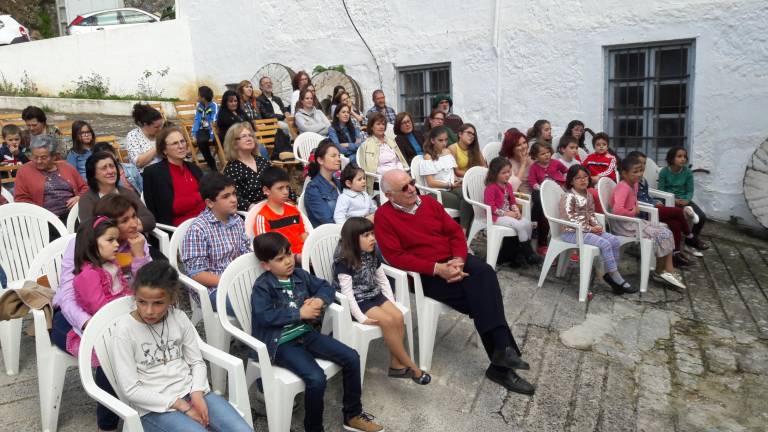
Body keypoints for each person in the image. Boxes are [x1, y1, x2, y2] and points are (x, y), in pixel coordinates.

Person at [374, 169, 535, 395]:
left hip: (453, 260)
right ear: (390, 195)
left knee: (486, 272)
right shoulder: (384, 216)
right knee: (482, 297)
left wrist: (458, 260)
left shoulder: (429, 203)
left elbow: (455, 233)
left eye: (412, 182)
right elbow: (395, 256)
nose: (412, 189)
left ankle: (502, 356)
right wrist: (437, 269)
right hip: (425, 274)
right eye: (404, 188)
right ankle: (502, 358)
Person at [250, 232, 385, 432]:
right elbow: (264, 316)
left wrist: (320, 300)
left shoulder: (299, 275)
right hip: (281, 343)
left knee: (352, 357)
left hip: (306, 334)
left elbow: (326, 287)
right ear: (266, 265)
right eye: (280, 259)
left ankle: (353, 414)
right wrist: (299, 313)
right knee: (316, 378)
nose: (288, 261)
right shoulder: (263, 286)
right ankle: (314, 428)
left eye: (288, 254)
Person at [110, 261, 254, 432]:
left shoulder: (178, 318)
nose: (148, 311)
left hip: (190, 391)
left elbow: (197, 363)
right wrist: (181, 406)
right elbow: (130, 390)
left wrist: (197, 393)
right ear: (135, 296)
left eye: (158, 303)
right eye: (142, 302)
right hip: (154, 407)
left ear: (171, 298)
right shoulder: (124, 331)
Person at [69, 214, 147, 431]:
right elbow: (101, 310)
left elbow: (130, 291)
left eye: (116, 239)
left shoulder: (111, 265)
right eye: (110, 240)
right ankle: (107, 423)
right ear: (92, 244)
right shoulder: (86, 276)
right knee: (108, 368)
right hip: (101, 333)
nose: (116, 244)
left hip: (120, 323)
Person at [334, 217, 430, 384]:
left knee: (398, 316)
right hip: (358, 300)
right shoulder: (344, 260)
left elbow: (382, 279)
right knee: (386, 320)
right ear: (353, 239)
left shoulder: (372, 252)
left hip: (374, 293)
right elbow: (347, 294)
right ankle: (412, 367)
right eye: (366, 235)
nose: (372, 238)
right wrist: (361, 318)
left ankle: (396, 366)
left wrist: (391, 304)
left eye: (372, 233)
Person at [611, 157, 687, 290]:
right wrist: (633, 211)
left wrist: (634, 208)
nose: (639, 174)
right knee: (661, 234)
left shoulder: (634, 184)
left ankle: (666, 269)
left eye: (641, 171)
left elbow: (633, 202)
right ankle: (661, 271)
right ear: (624, 173)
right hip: (625, 225)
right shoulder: (623, 187)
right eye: (635, 171)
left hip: (634, 222)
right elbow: (617, 210)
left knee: (667, 232)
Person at [559, 165, 636, 294]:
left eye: (585, 177)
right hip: (571, 232)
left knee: (614, 240)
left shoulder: (588, 195)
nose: (583, 180)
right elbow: (569, 219)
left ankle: (611, 274)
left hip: (586, 231)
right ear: (571, 181)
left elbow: (590, 214)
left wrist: (597, 226)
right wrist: (590, 228)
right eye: (578, 178)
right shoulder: (569, 197)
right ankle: (615, 276)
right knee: (604, 244)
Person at [180, 172, 250, 313]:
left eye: (234, 194)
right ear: (210, 203)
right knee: (250, 305)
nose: (234, 200)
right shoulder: (198, 229)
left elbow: (246, 252)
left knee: (274, 291)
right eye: (226, 196)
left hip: (238, 279)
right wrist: (230, 281)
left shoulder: (237, 220)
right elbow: (197, 274)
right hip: (213, 289)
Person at [628, 150, 698, 266]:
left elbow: (647, 196)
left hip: (653, 207)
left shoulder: (642, 180)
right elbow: (633, 201)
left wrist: (656, 201)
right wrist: (653, 205)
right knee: (678, 212)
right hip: (646, 213)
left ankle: (675, 254)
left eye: (644, 163)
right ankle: (690, 236)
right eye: (640, 164)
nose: (643, 166)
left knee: (675, 223)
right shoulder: (631, 182)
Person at [222, 122, 295, 211]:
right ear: (234, 143)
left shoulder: (262, 161)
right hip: (254, 211)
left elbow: (280, 182)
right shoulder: (232, 169)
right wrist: (253, 208)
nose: (249, 138)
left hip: (277, 204)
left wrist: (291, 198)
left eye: (251, 135)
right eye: (244, 136)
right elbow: (234, 197)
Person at [14, 135, 88, 223]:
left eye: (44, 157)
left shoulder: (66, 167)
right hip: (43, 220)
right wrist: (44, 214)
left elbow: (85, 187)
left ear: (54, 156)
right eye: (35, 157)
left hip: (73, 215)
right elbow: (21, 199)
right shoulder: (24, 171)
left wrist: (80, 197)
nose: (38, 161)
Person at [78, 151, 155, 232]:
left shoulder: (127, 193)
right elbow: (89, 231)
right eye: (104, 168)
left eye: (112, 166)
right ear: (93, 174)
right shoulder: (87, 199)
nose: (110, 171)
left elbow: (149, 221)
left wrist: (117, 228)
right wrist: (129, 227)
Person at [142, 126, 204, 226]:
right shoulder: (155, 173)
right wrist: (199, 197)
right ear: (164, 150)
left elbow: (208, 196)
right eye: (175, 143)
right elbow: (173, 207)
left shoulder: (194, 168)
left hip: (205, 221)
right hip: (178, 229)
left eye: (182, 141)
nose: (181, 146)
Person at [484, 157, 541, 265]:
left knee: (527, 224)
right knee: (518, 225)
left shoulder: (508, 186)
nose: (507, 175)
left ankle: (518, 253)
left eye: (509, 171)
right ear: (495, 174)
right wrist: (506, 213)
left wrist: (516, 212)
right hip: (495, 217)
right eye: (503, 172)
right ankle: (529, 254)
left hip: (508, 215)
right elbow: (490, 207)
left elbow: (512, 201)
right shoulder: (491, 188)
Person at [253, 166, 309, 263]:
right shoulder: (262, 217)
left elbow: (303, 235)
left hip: (305, 256)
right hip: (283, 262)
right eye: (280, 188)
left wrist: (311, 251)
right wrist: (294, 257)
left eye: (287, 187)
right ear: (266, 190)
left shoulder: (293, 210)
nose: (286, 192)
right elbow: (266, 248)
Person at [420, 126, 471, 229]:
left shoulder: (447, 152)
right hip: (435, 192)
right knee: (467, 201)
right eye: (440, 140)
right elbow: (430, 183)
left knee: (468, 195)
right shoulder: (428, 156)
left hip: (451, 188)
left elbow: (452, 173)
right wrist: (449, 184)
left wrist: (457, 180)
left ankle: (462, 232)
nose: (444, 143)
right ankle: (463, 233)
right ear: (432, 140)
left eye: (446, 140)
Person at [658, 146, 708, 250]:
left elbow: (690, 190)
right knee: (681, 217)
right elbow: (661, 190)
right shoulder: (664, 172)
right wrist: (674, 200)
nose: (683, 159)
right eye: (679, 156)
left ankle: (692, 239)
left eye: (684, 156)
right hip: (669, 201)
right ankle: (678, 241)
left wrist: (687, 200)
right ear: (671, 158)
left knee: (702, 216)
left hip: (685, 200)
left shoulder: (687, 172)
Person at [358, 113, 408, 195]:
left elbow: (399, 160)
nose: (381, 127)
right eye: (378, 124)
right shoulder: (366, 145)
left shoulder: (391, 141)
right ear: (371, 127)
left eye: (383, 124)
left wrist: (400, 171)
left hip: (398, 174)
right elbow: (366, 169)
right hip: (381, 178)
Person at [304, 140, 342, 227]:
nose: (339, 159)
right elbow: (327, 221)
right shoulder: (313, 188)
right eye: (333, 156)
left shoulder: (338, 182)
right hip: (330, 235)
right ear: (320, 160)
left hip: (347, 229)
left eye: (339, 156)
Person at [126, 104, 164, 171]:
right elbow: (138, 163)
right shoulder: (133, 136)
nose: (160, 129)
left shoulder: (162, 133)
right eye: (156, 127)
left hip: (164, 170)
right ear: (145, 124)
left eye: (161, 125)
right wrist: (157, 146)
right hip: (144, 175)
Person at [191, 85, 219, 171]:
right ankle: (211, 163)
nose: (197, 97)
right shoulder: (200, 105)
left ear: (203, 97)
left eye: (198, 95)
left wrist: (211, 136)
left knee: (207, 141)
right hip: (203, 130)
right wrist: (194, 134)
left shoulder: (214, 105)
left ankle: (214, 165)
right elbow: (197, 119)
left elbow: (214, 121)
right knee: (201, 141)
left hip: (212, 130)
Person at [499, 128, 533, 195]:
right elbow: (512, 188)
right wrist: (523, 165)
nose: (523, 146)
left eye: (524, 142)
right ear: (512, 148)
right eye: (518, 145)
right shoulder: (508, 164)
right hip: (522, 198)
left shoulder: (532, 157)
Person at [1, 124, 27, 190]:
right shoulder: (2, 151)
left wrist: (18, 153)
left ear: (20, 138)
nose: (14, 142)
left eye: (17, 139)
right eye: (10, 140)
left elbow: (29, 162)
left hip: (23, 179)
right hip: (7, 180)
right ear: (5, 139)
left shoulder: (24, 149)